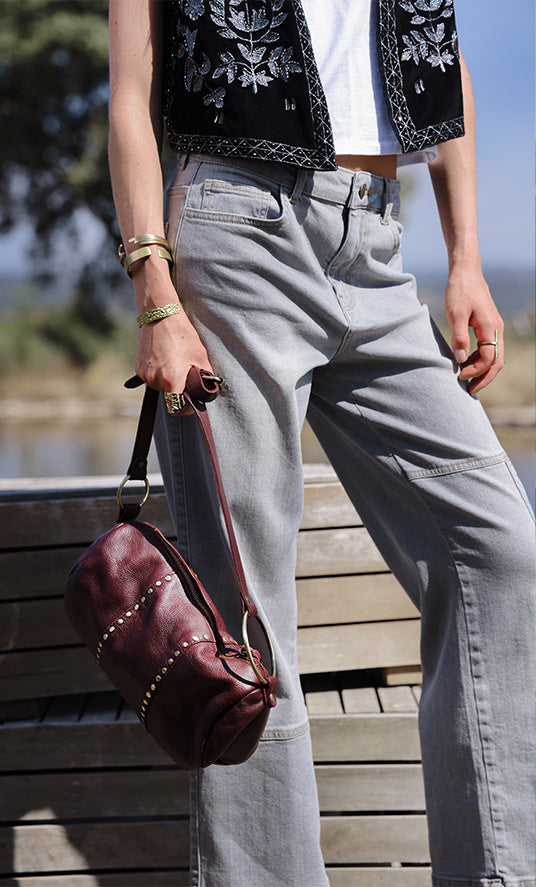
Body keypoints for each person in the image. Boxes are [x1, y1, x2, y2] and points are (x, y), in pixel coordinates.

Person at [107, 1, 536, 885]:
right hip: (235, 233)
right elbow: (132, 88)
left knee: (498, 549)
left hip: (376, 240)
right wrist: (156, 292)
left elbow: (436, 58)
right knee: (247, 613)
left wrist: (465, 259)